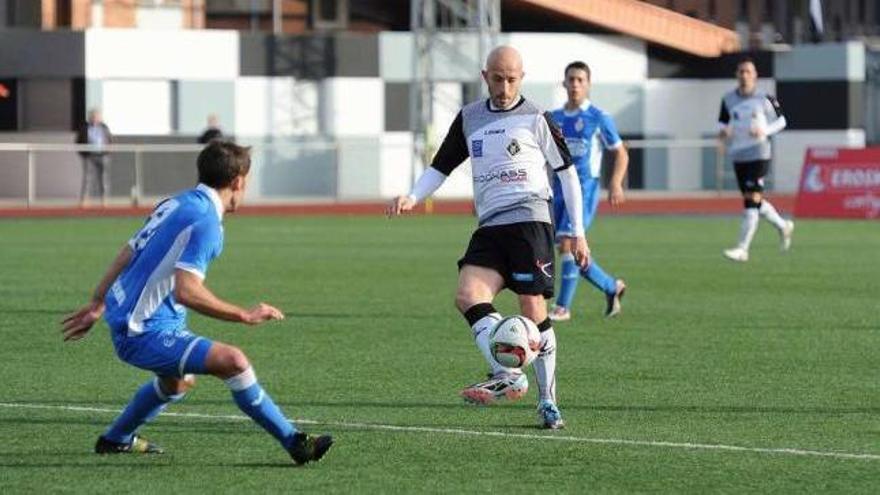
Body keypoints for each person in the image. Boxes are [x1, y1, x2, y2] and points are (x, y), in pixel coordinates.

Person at [61, 141, 333, 465]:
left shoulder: (177, 203)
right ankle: (294, 443)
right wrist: (243, 315)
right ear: (238, 182)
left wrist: (97, 301)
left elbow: (129, 250)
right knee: (234, 361)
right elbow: (186, 291)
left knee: (176, 383)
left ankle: (115, 439)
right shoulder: (207, 223)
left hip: (140, 314)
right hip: (142, 328)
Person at [386, 46, 589, 430]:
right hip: (491, 224)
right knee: (467, 296)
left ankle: (548, 402)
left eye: (512, 79)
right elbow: (440, 167)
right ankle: (508, 373)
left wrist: (577, 232)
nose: (505, 86)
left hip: (530, 222)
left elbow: (567, 173)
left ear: (522, 77)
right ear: (485, 77)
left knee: (533, 310)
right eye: (498, 78)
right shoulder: (470, 118)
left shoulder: (536, 118)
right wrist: (412, 196)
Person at [547, 61, 628, 322]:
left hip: (585, 188)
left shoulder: (598, 117)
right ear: (564, 83)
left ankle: (562, 307)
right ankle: (610, 286)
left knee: (570, 244)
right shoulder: (554, 118)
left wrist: (615, 183)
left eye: (580, 80)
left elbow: (621, 153)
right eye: (571, 79)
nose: (575, 85)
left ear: (588, 84)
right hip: (559, 190)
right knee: (566, 248)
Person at [718, 58, 793, 262]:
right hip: (739, 154)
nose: (744, 75)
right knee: (755, 201)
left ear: (755, 76)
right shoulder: (728, 99)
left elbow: (782, 121)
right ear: (736, 75)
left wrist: (764, 130)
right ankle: (783, 226)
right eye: (741, 71)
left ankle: (743, 249)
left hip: (759, 153)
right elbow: (722, 124)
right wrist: (724, 132)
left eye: (748, 72)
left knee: (751, 202)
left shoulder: (764, 98)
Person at [75, 108, 112, 208]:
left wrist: (107, 151)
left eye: (97, 116)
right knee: (87, 179)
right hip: (89, 156)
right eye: (94, 116)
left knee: (103, 179)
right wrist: (83, 154)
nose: (96, 118)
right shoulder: (84, 128)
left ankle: (104, 200)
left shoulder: (104, 128)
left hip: (102, 155)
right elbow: (78, 141)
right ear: (90, 117)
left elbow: (109, 140)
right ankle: (84, 200)